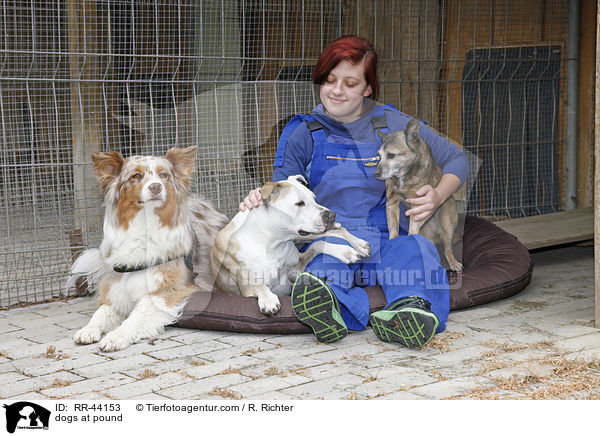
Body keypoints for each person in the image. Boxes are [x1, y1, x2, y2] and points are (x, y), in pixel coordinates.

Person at [240, 35, 470, 348]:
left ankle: (411, 311)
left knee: (416, 250)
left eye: (350, 83)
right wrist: (258, 197)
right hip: (330, 237)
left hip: (388, 238)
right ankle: (328, 307)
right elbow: (281, 191)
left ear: (368, 88)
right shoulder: (302, 130)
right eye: (329, 80)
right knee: (320, 267)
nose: (336, 90)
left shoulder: (391, 123)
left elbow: (457, 158)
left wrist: (438, 195)